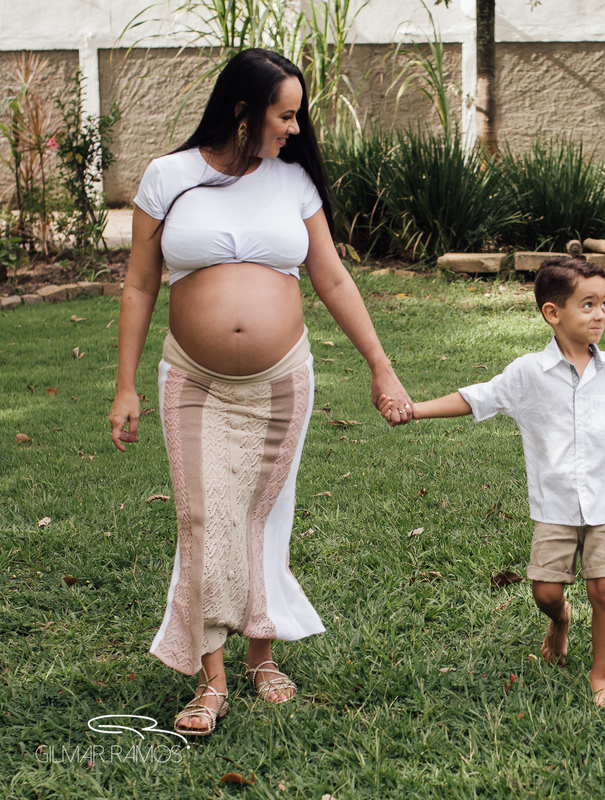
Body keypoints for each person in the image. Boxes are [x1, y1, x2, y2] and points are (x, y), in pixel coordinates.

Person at [108, 49, 413, 737]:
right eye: (285, 115)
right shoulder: (168, 178)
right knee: (203, 517)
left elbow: (332, 279)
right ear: (243, 111)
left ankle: (262, 653)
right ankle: (210, 679)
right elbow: (140, 284)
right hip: (192, 379)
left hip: (280, 382)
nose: (295, 128)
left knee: (264, 516)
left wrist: (381, 366)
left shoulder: (292, 182)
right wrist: (125, 385)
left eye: (297, 115)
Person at [381, 257, 605, 706]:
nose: (601, 314)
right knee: (545, 591)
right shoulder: (527, 374)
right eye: (588, 304)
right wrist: (415, 410)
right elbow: (475, 399)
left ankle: (600, 679)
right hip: (554, 505)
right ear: (552, 313)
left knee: (604, 589)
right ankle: (560, 620)